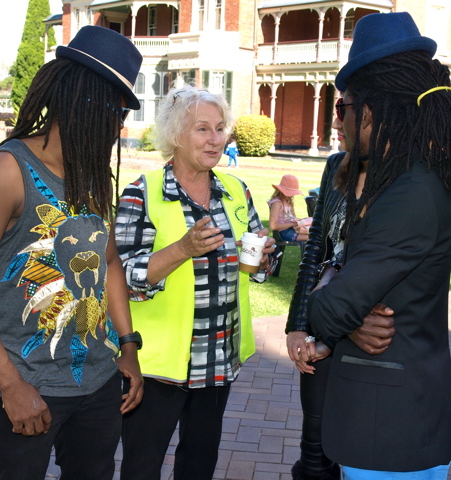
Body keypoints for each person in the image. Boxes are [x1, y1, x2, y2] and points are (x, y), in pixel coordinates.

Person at [0, 26, 144, 480]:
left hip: (98, 384)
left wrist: (127, 347)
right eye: (116, 113)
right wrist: (11, 386)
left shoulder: (92, 175)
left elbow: (109, 261)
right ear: (84, 101)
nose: (120, 127)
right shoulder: (5, 170)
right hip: (25, 389)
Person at [306, 11, 451, 480]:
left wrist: (333, 305)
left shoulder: (410, 193)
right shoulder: (400, 181)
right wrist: (349, 315)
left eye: (344, 108)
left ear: (373, 109)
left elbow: (327, 310)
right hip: (386, 428)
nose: (338, 122)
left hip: (393, 437)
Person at [115, 84, 276, 480]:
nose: (215, 138)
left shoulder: (236, 191)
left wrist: (264, 259)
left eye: (220, 128)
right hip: (157, 364)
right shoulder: (143, 193)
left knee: (199, 464)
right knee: (142, 465)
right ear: (175, 135)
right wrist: (181, 249)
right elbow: (120, 277)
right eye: (202, 129)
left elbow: (255, 270)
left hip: (218, 357)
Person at [285, 113, 396, 480]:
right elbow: (316, 247)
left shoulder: (404, 178)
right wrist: (297, 326)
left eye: (346, 111)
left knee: (361, 451)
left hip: (372, 334)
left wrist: (339, 332)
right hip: (323, 322)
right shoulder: (336, 166)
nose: (335, 122)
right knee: (315, 451)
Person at [268, 174, 310, 242]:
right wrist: (292, 224)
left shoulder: (289, 201)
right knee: (312, 237)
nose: (292, 195)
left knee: (315, 234)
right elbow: (273, 226)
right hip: (284, 232)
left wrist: (300, 221)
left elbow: (292, 218)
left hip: (292, 229)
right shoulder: (277, 203)